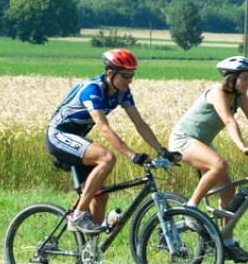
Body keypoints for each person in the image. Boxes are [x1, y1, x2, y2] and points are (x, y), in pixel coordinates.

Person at [45, 48, 180, 245]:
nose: (130, 80)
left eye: (132, 75)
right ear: (110, 74)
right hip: (58, 136)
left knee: (100, 197)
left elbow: (139, 123)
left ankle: (90, 263)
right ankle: (78, 214)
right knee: (107, 158)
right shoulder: (92, 90)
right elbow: (103, 128)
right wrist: (131, 154)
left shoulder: (122, 92)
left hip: (78, 141)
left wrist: (162, 150)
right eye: (126, 76)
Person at [168, 55, 248, 263]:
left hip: (203, 142)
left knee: (228, 188)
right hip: (184, 140)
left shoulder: (240, 96)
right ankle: (190, 208)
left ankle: (226, 241)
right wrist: (242, 146)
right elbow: (228, 120)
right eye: (244, 78)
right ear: (230, 78)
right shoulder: (217, 93)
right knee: (220, 164)